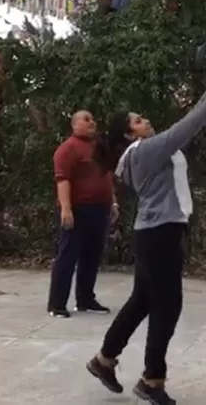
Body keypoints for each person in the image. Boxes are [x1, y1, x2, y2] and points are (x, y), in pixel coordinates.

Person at [85, 75, 206, 405]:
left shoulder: (144, 151)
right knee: (167, 306)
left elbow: (181, 127)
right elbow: (184, 129)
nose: (146, 121)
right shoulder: (144, 151)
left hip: (157, 232)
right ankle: (152, 380)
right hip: (159, 235)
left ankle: (104, 360)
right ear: (131, 134)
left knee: (142, 302)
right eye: (138, 121)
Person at [47, 110, 119, 318]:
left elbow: (106, 176)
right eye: (86, 119)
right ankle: (57, 304)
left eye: (92, 118)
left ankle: (85, 299)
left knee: (92, 256)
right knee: (68, 256)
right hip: (78, 210)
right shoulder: (67, 149)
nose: (91, 122)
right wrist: (66, 208)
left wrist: (113, 202)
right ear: (74, 125)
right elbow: (63, 180)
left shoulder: (97, 148)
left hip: (100, 208)